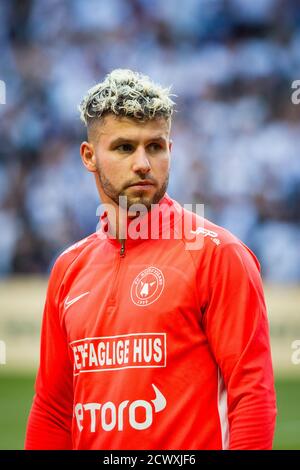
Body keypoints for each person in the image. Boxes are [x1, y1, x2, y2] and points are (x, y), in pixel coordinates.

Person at [25, 69, 276, 450]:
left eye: (155, 147)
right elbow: (53, 408)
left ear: (170, 151)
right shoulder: (68, 269)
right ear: (89, 156)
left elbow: (252, 396)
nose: (143, 163)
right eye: (124, 147)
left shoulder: (218, 255)